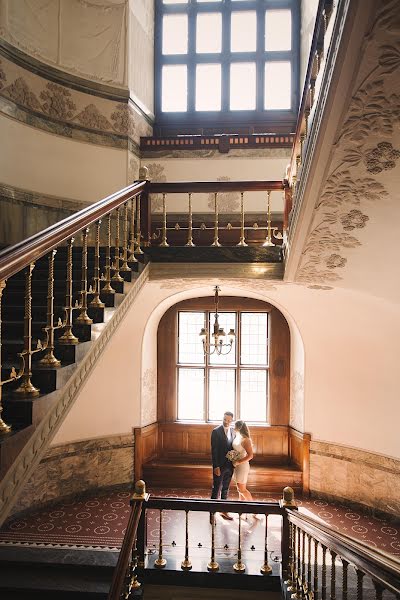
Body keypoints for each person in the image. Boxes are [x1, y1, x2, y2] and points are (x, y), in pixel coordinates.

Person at [210, 411, 235, 520]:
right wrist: (216, 466)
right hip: (219, 466)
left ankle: (223, 510)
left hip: (230, 466)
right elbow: (214, 451)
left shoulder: (233, 431)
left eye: (229, 420)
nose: (226, 422)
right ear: (223, 418)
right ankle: (212, 513)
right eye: (225, 419)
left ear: (231, 420)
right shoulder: (216, 431)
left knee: (226, 489)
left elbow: (233, 448)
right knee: (216, 489)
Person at [232, 420, 258, 517]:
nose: (233, 428)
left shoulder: (246, 439)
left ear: (239, 428)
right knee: (239, 488)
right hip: (237, 465)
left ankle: (254, 509)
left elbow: (250, 455)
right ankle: (241, 508)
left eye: (235, 426)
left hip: (242, 466)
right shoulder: (238, 436)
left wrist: (238, 462)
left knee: (242, 489)